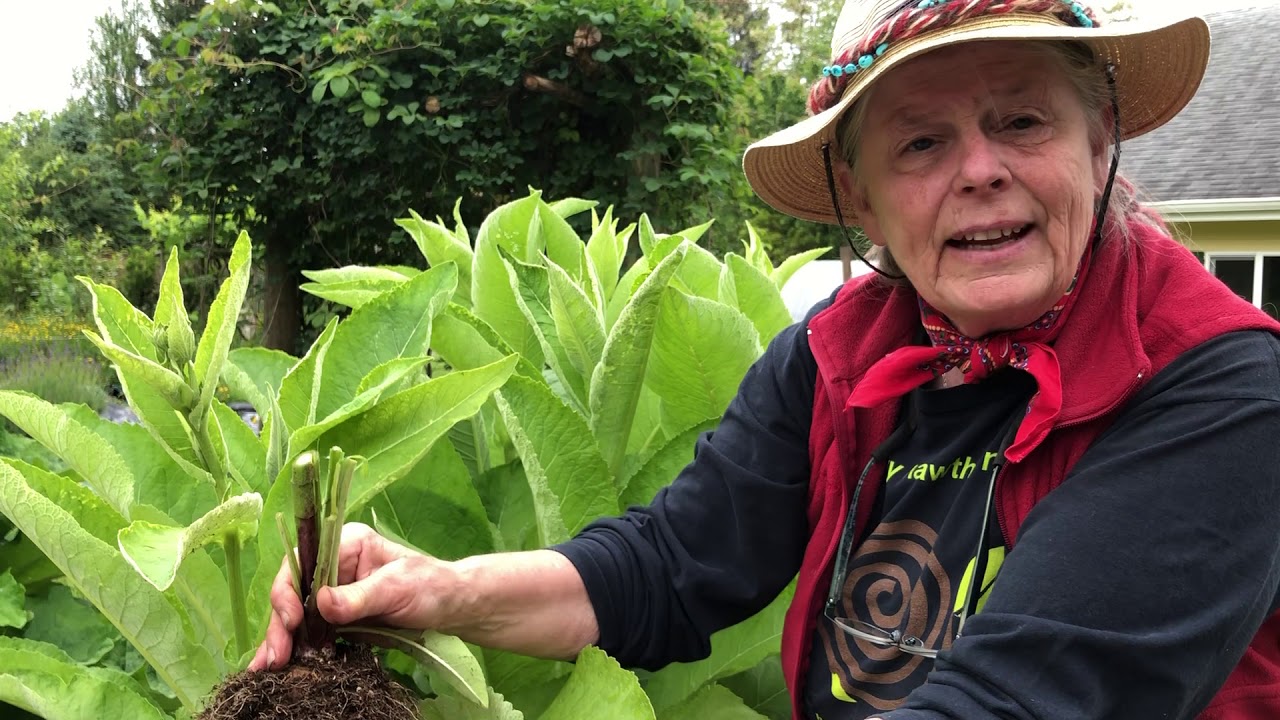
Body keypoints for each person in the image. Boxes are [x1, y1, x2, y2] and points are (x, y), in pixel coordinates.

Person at [250, 0, 1280, 716]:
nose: (977, 171)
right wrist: (441, 589)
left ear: (1099, 141)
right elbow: (669, 566)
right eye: (918, 143)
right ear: (860, 193)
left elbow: (1019, 698)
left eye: (1020, 121)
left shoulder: (1220, 389)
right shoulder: (841, 356)